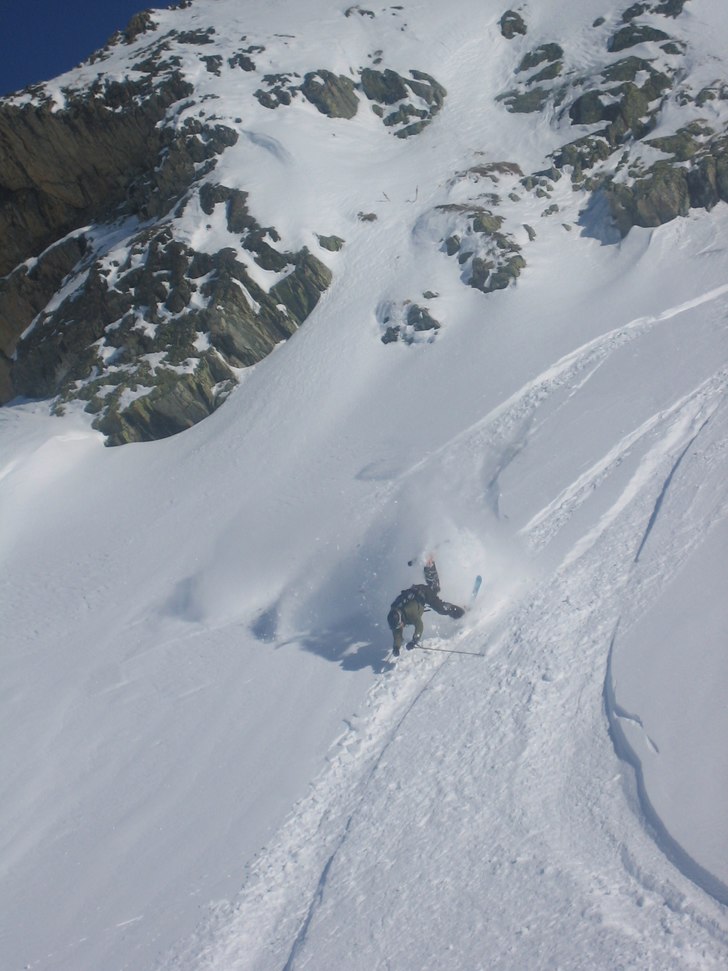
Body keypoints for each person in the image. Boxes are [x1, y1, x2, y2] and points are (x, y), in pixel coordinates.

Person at [387, 556, 464, 656]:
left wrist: (415, 640)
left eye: (399, 625)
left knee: (441, 608)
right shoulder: (394, 615)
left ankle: (460, 613)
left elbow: (419, 625)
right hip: (415, 592)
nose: (400, 627)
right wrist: (396, 647)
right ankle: (428, 564)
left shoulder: (410, 612)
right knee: (435, 587)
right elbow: (397, 633)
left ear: (401, 619)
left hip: (423, 593)